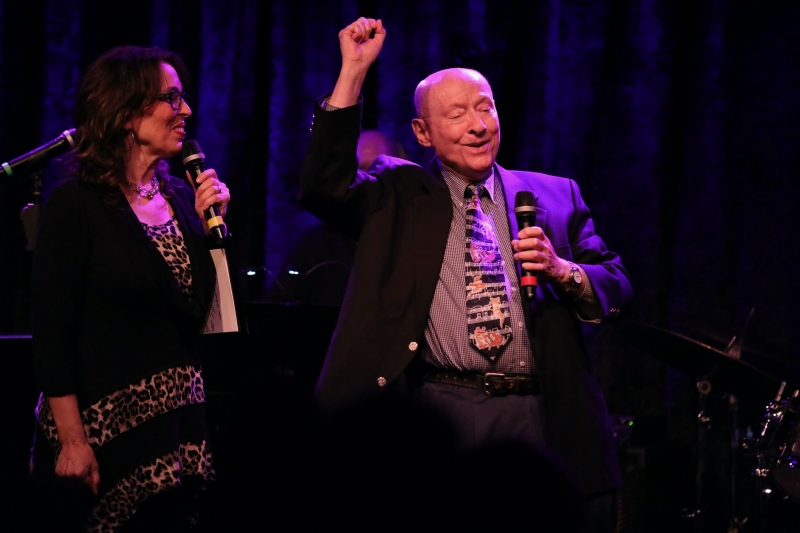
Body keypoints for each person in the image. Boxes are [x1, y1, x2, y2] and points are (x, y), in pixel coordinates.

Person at [299, 18, 632, 532]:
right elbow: (323, 186)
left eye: (486, 107)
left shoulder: (553, 195)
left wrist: (563, 271)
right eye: (458, 114)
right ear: (423, 132)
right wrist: (353, 74)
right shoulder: (399, 193)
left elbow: (617, 285)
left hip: (542, 410)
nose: (479, 125)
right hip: (443, 408)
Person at [29, 46, 230, 532]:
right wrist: (75, 442)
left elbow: (214, 319)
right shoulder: (76, 203)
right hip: (102, 433)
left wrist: (217, 236)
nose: (185, 111)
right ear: (124, 111)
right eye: (171, 98)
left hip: (177, 432)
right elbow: (52, 333)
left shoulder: (182, 199)